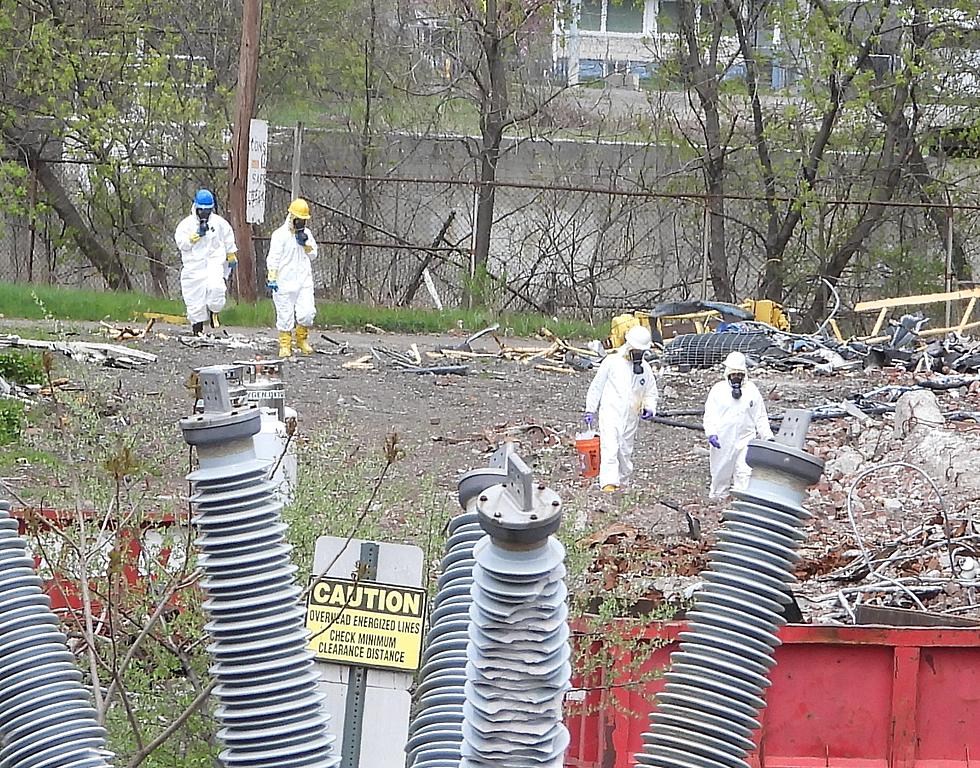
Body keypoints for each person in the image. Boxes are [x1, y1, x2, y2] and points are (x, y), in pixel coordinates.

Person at [584, 325, 659, 492]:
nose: (639, 354)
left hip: (631, 417)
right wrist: (590, 409)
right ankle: (608, 483)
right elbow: (597, 386)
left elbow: (651, 392)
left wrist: (649, 407)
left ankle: (623, 483)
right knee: (609, 447)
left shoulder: (645, 370)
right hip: (610, 413)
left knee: (625, 451)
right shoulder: (612, 362)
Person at [703, 351, 774, 499]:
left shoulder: (751, 391)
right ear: (727, 373)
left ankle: (742, 499)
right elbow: (710, 414)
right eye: (733, 374)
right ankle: (718, 498)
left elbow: (760, 416)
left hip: (746, 439)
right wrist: (711, 433)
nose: (737, 378)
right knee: (721, 471)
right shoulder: (718, 390)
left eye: (740, 374)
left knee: (745, 472)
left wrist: (767, 436)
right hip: (723, 439)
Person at [174, 189, 238, 336]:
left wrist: (231, 254)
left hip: (213, 264)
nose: (204, 213)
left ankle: (214, 312)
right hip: (193, 267)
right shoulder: (186, 225)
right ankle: (197, 330)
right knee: (194, 301)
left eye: (207, 210)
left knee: (216, 290)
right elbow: (181, 243)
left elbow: (228, 237)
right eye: (201, 210)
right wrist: (194, 237)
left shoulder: (219, 223)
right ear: (196, 207)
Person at [266, 198, 318, 358]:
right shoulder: (279, 235)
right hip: (284, 282)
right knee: (285, 314)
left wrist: (306, 245)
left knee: (307, 313)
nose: (301, 223)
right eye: (299, 220)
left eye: (303, 220)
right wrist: (272, 276)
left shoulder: (306, 234)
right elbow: (273, 257)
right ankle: (285, 343)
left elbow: (314, 254)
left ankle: (301, 339)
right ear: (291, 217)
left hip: (303, 281)